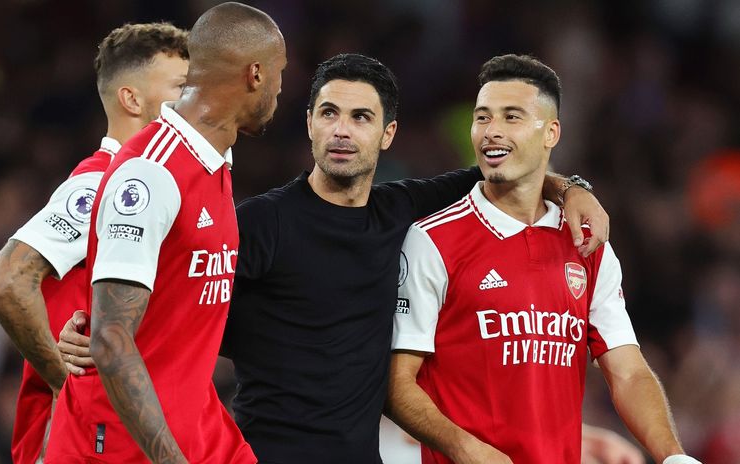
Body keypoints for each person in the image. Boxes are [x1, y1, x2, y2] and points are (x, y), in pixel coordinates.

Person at [60, 53, 610, 464]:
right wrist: (95, 324)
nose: (342, 130)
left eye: (361, 117)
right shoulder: (260, 224)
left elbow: (504, 170)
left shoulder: (400, 210)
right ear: (309, 123)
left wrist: (573, 190)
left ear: (387, 134)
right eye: (329, 113)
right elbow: (176, 293)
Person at [387, 54, 700, 464]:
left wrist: (673, 455)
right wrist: (470, 451)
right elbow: (396, 385)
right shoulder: (432, 240)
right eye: (482, 118)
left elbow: (628, 371)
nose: (491, 131)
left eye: (511, 117)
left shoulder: (588, 244)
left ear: (551, 132)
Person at [43, 3, 286, 464]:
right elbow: (111, 340)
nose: (280, 89)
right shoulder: (151, 173)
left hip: (196, 425)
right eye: (280, 73)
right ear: (255, 74)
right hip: (118, 444)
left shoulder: (212, 164)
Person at [0, 22, 190, 464]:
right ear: (132, 99)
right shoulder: (101, 183)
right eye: (180, 87)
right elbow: (5, 280)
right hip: (75, 440)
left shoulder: (156, 183)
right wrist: (66, 384)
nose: (192, 101)